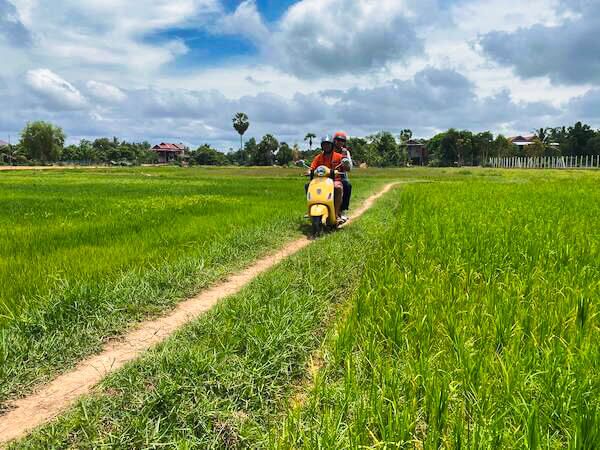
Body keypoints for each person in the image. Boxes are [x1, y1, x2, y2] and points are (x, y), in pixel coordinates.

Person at [307, 135, 349, 223]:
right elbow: (312, 167)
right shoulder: (318, 157)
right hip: (320, 181)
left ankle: (337, 214)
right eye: (324, 145)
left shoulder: (338, 156)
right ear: (322, 146)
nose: (326, 146)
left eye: (328, 144)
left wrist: (345, 165)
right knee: (308, 186)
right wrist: (309, 171)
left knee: (338, 188)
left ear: (332, 145)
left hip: (335, 180)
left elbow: (346, 167)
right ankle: (310, 208)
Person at [333, 131, 353, 221]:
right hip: (328, 174)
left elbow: (349, 167)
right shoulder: (328, 149)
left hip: (341, 175)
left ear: (344, 142)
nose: (339, 142)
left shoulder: (345, 152)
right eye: (338, 140)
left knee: (347, 185)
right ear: (334, 140)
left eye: (342, 140)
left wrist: (346, 164)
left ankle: (343, 210)